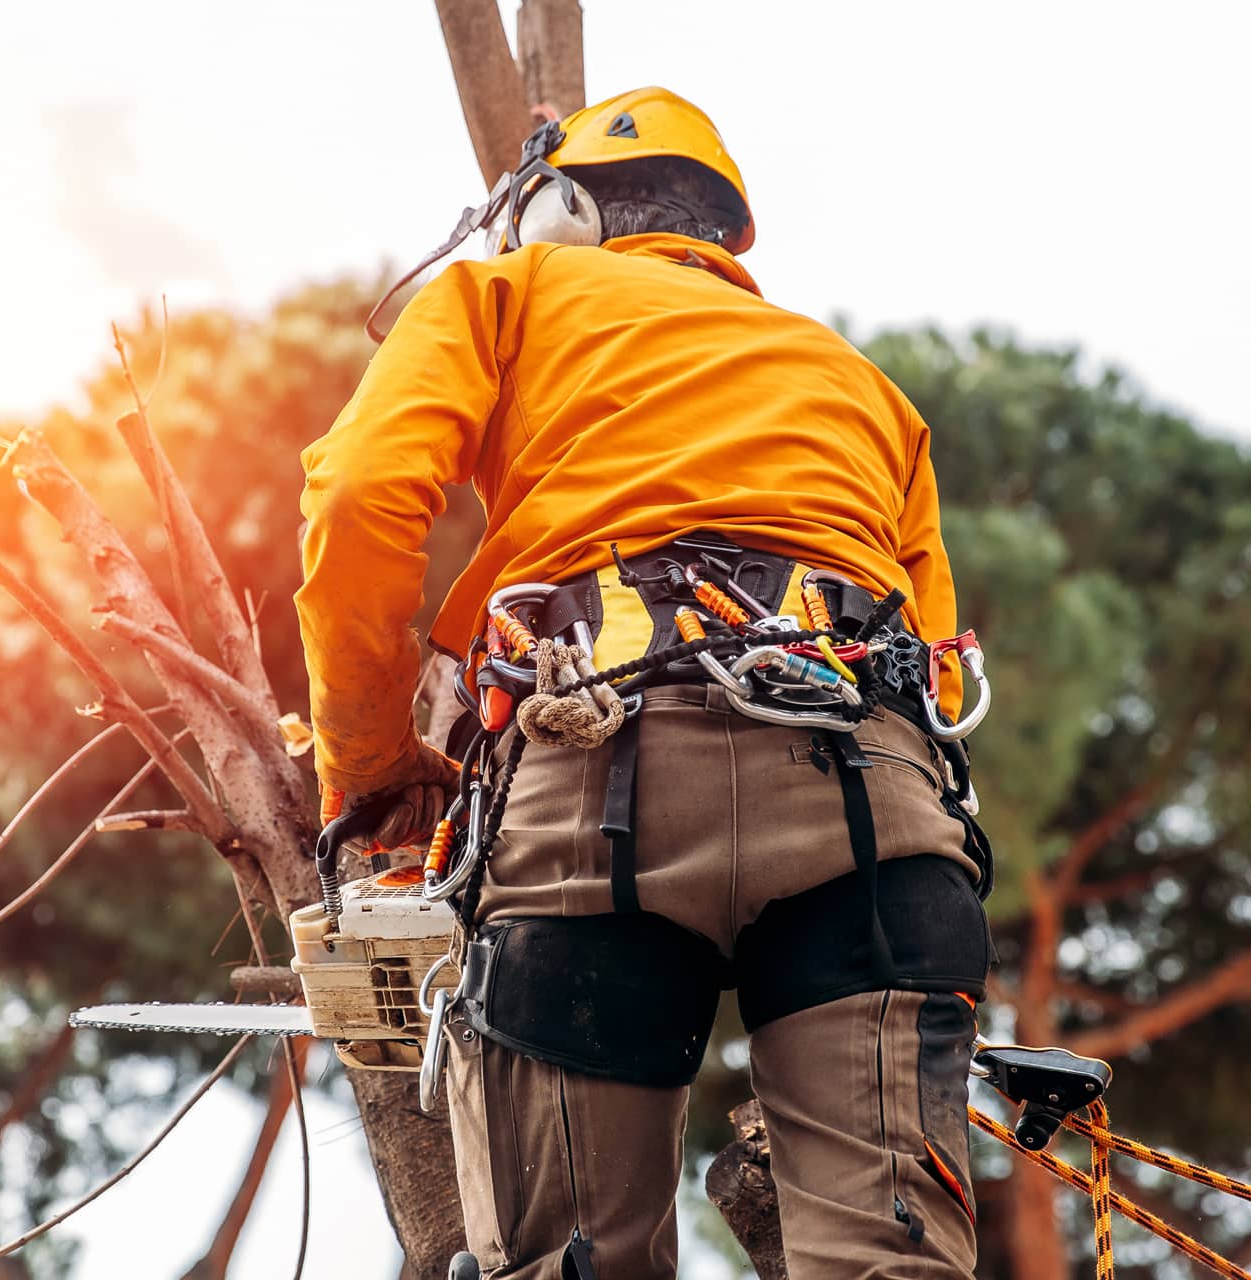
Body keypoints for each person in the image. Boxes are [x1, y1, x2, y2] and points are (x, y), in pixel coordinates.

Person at [294, 87, 994, 1279]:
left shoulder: (503, 292)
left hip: (598, 786)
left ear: (560, 211)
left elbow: (360, 498)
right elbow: (931, 663)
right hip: (875, 807)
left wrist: (371, 776)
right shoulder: (862, 383)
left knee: (568, 1261)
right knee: (892, 1265)